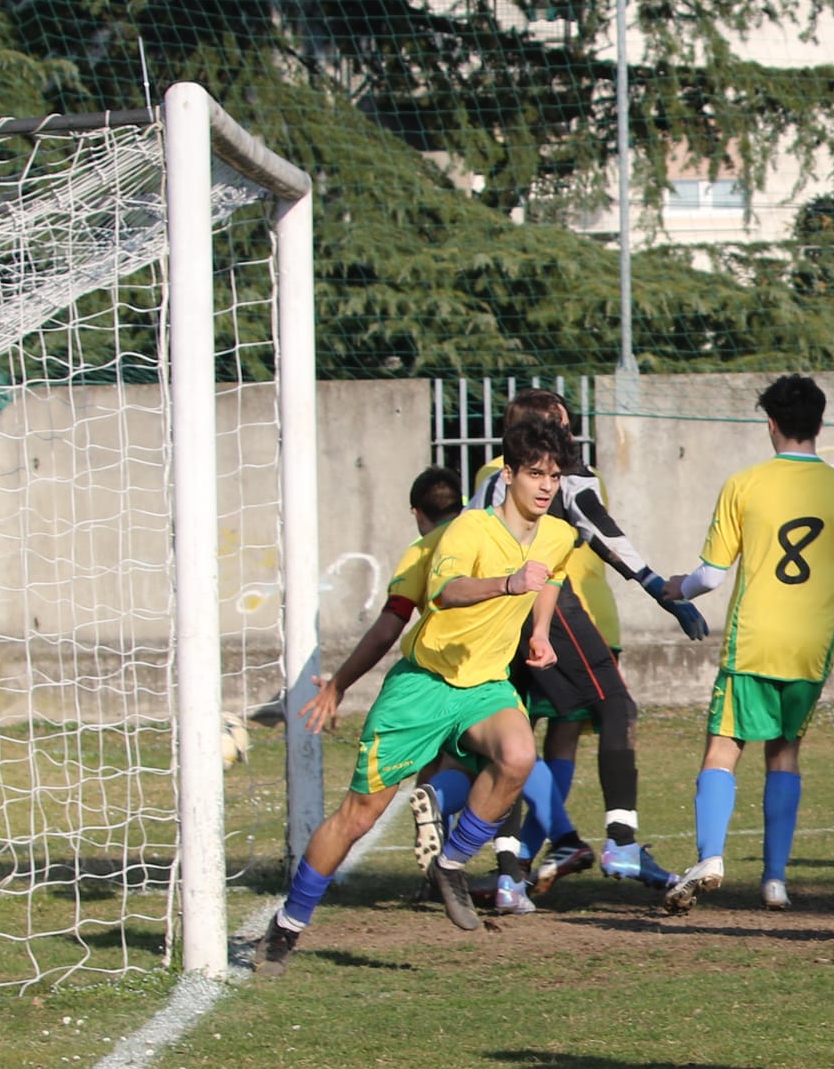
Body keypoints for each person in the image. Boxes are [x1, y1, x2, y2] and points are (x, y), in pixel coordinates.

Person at [256, 420, 577, 976]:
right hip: (423, 685)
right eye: (535, 474)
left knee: (519, 755)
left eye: (554, 476)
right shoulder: (469, 530)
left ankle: (450, 862)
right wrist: (506, 584)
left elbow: (547, 578)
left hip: (484, 686)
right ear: (509, 476)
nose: (546, 486)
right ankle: (286, 927)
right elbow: (445, 592)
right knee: (357, 817)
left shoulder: (558, 534)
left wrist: (541, 631)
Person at [460, 389, 710, 910]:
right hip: (548, 609)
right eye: (565, 424)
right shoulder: (562, 474)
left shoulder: (490, 481)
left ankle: (509, 876)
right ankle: (620, 845)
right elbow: (599, 526)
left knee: (514, 737)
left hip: (492, 615)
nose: (571, 434)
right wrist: (656, 585)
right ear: (550, 430)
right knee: (616, 705)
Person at [295, 466, 564, 908]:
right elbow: (457, 592)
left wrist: (339, 683)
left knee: (501, 760)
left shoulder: (425, 548)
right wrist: (538, 628)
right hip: (458, 682)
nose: (547, 484)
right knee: (494, 769)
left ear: (417, 513)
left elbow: (388, 626)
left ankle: (452, 844)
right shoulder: (488, 533)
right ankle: (466, 840)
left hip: (450, 687)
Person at [660, 374, 834, 913]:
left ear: (771, 424)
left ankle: (710, 857)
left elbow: (710, 577)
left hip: (753, 641)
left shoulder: (745, 484)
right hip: (811, 647)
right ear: (820, 425)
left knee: (723, 748)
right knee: (784, 753)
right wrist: (820, 613)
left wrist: (674, 589)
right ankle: (775, 881)